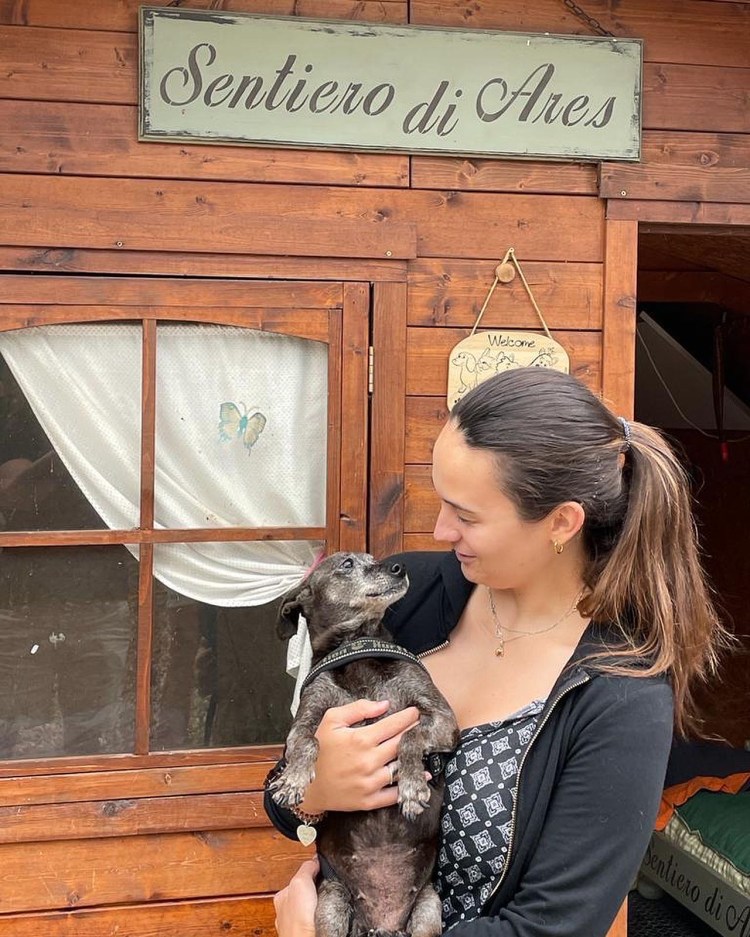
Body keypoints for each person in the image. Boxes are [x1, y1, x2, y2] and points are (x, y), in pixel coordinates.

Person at [265, 367, 729, 937]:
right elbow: (288, 788)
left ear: (562, 522)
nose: (441, 530)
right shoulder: (408, 597)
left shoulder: (620, 697)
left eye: (466, 515)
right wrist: (314, 793)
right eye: (441, 502)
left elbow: (552, 928)